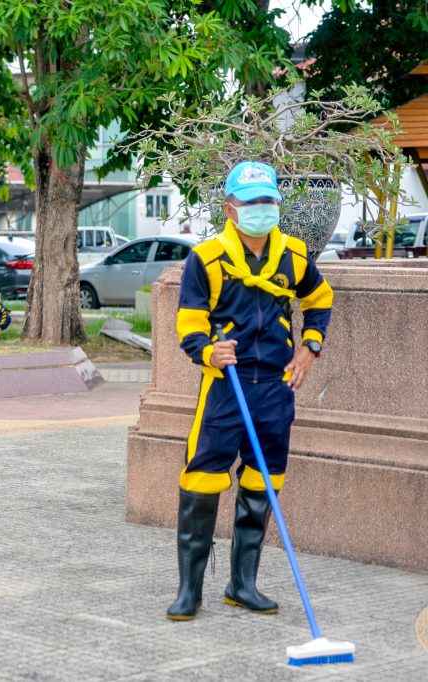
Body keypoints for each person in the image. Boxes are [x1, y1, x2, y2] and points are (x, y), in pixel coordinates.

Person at [168, 161, 333, 621]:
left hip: (275, 388)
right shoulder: (206, 259)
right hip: (225, 387)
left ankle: (242, 585)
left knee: (263, 481)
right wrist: (208, 351)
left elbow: (319, 300)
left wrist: (309, 349)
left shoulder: (294, 256)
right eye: (251, 201)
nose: (261, 209)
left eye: (268, 201)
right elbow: (189, 322)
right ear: (230, 207)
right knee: (202, 480)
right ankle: (189, 591)